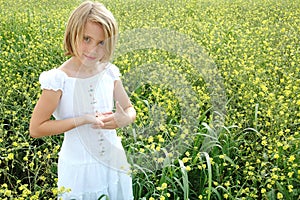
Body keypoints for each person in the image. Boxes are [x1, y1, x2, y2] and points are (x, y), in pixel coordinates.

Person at [29, 1, 136, 199]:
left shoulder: (109, 72)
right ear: (73, 34)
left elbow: (130, 108)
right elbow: (36, 128)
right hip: (79, 169)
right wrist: (82, 119)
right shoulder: (59, 79)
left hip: (113, 161)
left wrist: (125, 118)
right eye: (87, 39)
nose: (93, 50)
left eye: (101, 43)